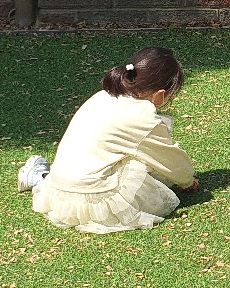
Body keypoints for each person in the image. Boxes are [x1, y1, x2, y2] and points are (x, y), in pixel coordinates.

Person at [19, 47, 198, 233]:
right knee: (143, 163)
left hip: (57, 194)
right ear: (160, 95)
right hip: (95, 204)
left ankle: (39, 177)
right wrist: (188, 181)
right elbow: (170, 160)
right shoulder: (143, 115)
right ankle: (38, 177)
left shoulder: (103, 95)